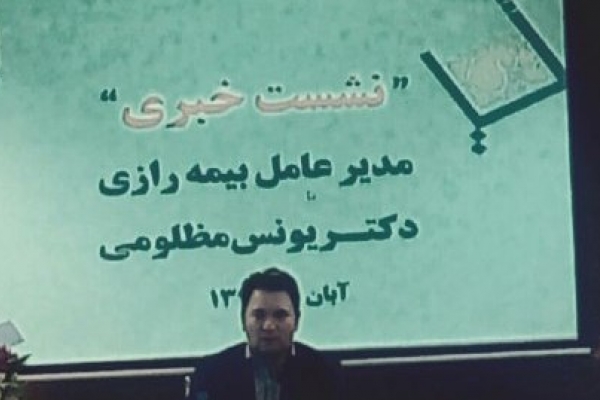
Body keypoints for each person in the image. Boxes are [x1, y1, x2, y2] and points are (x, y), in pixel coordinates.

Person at [190, 267, 341, 400]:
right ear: (243, 319)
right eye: (259, 315)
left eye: (280, 315)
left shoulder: (324, 372)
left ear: (297, 320)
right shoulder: (212, 373)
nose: (269, 326)